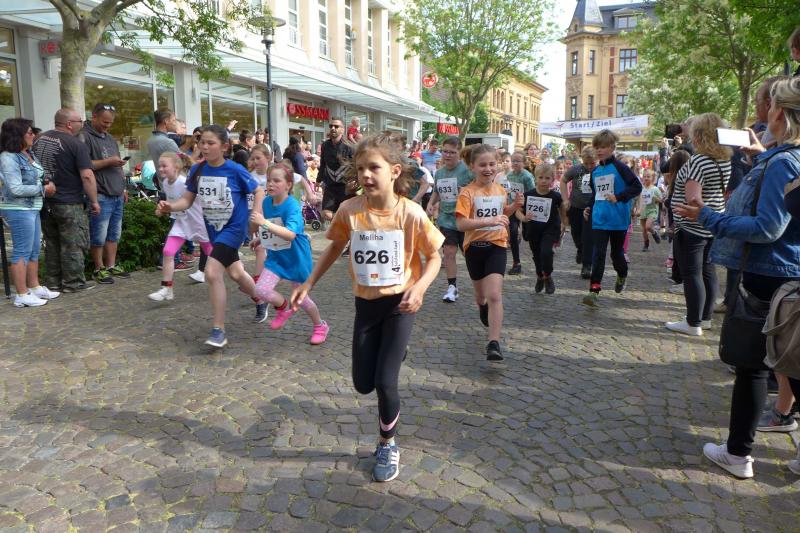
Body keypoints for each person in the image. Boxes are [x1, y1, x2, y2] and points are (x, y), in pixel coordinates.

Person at [290, 133, 443, 482]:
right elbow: (333, 248)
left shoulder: (411, 212)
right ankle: (394, 351)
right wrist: (308, 283)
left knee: (385, 382)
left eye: (374, 168)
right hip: (366, 305)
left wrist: (419, 287)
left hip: (400, 304)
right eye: (360, 169)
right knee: (363, 383)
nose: (366, 175)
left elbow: (433, 257)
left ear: (395, 171)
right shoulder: (350, 210)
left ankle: (387, 444)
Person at [674, 76, 800, 479]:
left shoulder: (783, 163)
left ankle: (737, 454)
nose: (765, 112)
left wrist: (709, 217)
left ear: (781, 113)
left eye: (771, 105)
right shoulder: (783, 158)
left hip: (769, 273)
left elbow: (768, 227)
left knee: (753, 366)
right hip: (782, 272)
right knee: (787, 365)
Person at [157, 125, 265, 348]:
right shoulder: (197, 170)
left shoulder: (235, 170)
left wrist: (257, 214)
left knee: (212, 272)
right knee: (236, 273)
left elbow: (258, 190)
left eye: (210, 143)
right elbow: (187, 200)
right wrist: (170, 206)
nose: (204, 147)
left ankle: (218, 330)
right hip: (214, 229)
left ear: (224, 147)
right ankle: (261, 298)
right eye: (201, 142)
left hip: (234, 229)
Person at [455, 144, 523, 361]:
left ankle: (494, 343)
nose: (488, 169)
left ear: (498, 165)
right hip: (474, 248)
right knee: (481, 296)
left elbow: (502, 214)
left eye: (492, 164)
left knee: (494, 294)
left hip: (497, 245)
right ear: (472, 166)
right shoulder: (467, 192)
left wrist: (514, 207)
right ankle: (482, 306)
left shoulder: (501, 190)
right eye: (482, 165)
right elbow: (461, 224)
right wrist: (489, 220)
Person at [667, 113, 732, 336]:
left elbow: (693, 200)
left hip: (692, 226)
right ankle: (704, 319)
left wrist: (681, 218)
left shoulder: (699, 161)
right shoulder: (724, 160)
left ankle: (693, 322)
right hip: (712, 223)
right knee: (707, 271)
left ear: (699, 135)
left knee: (692, 273)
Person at [249, 163, 329, 342]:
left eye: (276, 180)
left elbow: (290, 234)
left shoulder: (292, 205)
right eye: (269, 180)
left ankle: (320, 325)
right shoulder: (266, 202)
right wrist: (261, 238)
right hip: (277, 256)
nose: (270, 184)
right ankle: (283, 308)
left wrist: (263, 223)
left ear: (288, 185)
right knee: (261, 289)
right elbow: (274, 225)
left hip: (296, 258)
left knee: (302, 299)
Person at [32, 108, 100, 293]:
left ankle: (53, 283)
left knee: (52, 243)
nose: (82, 124)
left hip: (45, 202)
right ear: (69, 124)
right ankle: (73, 283)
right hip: (69, 202)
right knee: (73, 244)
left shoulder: (38, 140)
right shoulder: (76, 144)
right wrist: (94, 200)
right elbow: (87, 176)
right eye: (80, 121)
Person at [0, 118, 59, 307]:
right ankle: (21, 294)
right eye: (30, 132)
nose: (33, 135)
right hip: (18, 209)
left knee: (33, 249)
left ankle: (34, 287)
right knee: (22, 251)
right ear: (17, 135)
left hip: (33, 207)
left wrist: (46, 184)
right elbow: (15, 188)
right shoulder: (8, 157)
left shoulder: (27, 153)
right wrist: (43, 189)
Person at [581, 130, 642, 307]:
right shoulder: (595, 171)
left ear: (612, 147)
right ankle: (594, 290)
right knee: (598, 254)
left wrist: (619, 197)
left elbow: (636, 187)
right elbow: (596, 194)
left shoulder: (621, 168)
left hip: (618, 220)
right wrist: (589, 207)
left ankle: (622, 274)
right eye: (597, 147)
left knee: (616, 255)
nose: (599, 150)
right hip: (599, 219)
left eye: (603, 147)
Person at [149, 152, 211, 301]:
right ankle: (166, 288)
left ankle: (239, 274)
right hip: (181, 223)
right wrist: (161, 210)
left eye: (164, 166)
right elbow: (171, 204)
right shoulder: (165, 183)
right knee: (168, 251)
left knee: (215, 254)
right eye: (159, 166)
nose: (161, 169)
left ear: (176, 167)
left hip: (198, 223)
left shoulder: (185, 183)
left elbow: (198, 200)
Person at [80, 103, 131, 285]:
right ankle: (98, 268)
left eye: (110, 123)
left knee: (114, 233)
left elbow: (117, 166)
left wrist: (123, 188)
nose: (107, 126)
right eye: (104, 122)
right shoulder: (84, 136)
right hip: (100, 193)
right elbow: (85, 164)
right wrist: (109, 161)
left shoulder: (110, 138)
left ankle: (111, 265)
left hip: (117, 193)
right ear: (93, 117)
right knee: (99, 235)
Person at [425, 136, 474, 302]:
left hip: (465, 220)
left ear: (459, 153)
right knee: (449, 252)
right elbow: (437, 191)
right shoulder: (439, 172)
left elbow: (479, 189)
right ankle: (452, 287)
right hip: (446, 218)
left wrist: (465, 192)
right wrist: (430, 204)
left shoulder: (468, 171)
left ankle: (481, 283)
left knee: (471, 255)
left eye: (452, 152)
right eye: (445, 151)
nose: (447, 155)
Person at [517, 163, 566, 294]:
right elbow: (518, 211)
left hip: (550, 229)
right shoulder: (528, 195)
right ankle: (540, 276)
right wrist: (523, 218)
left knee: (546, 252)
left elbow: (562, 210)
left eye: (547, 178)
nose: (544, 181)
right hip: (533, 230)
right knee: (537, 255)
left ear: (552, 179)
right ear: (535, 178)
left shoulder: (556, 196)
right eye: (541, 177)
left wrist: (564, 223)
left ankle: (548, 276)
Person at [561, 146, 597, 278]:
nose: (589, 166)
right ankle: (580, 249)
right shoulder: (576, 169)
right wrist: (565, 199)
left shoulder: (599, 170)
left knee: (589, 237)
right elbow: (563, 180)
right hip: (575, 207)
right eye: (586, 163)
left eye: (592, 163)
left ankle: (587, 266)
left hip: (592, 208)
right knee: (576, 234)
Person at [498, 151, 534, 275]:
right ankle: (516, 263)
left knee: (527, 235)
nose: (515, 163)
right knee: (513, 232)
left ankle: (524, 233)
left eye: (518, 161)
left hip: (526, 207)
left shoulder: (527, 177)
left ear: (524, 163)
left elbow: (532, 193)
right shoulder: (510, 175)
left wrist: (524, 207)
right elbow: (511, 191)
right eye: (513, 161)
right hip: (514, 206)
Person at [319, 118, 354, 223]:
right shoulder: (325, 145)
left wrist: (354, 181)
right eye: (331, 126)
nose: (333, 128)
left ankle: (341, 225)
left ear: (342, 130)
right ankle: (339, 222)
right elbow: (323, 163)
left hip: (345, 187)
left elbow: (355, 166)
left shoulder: (349, 147)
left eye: (336, 126)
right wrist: (318, 179)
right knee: (326, 213)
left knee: (347, 214)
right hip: (330, 186)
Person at [635, 168, 662, 252]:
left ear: (653, 178)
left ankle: (654, 233)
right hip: (643, 211)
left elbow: (661, 200)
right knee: (644, 230)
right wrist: (638, 210)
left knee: (648, 226)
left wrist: (656, 199)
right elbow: (640, 200)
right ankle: (646, 244)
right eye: (645, 176)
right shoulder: (642, 189)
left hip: (652, 210)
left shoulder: (655, 189)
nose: (646, 178)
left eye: (648, 176)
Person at [146, 109, 180, 176]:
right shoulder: (167, 142)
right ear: (166, 121)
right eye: (173, 120)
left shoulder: (151, 140)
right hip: (173, 181)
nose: (175, 123)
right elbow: (185, 163)